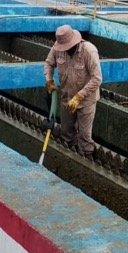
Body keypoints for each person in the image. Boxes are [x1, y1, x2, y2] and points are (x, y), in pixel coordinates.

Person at [44, 24, 102, 157]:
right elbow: (48, 63)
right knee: (66, 133)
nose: (65, 50)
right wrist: (49, 80)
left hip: (86, 100)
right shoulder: (57, 48)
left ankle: (86, 155)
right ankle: (70, 154)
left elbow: (97, 78)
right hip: (67, 96)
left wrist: (79, 97)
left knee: (85, 136)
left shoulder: (89, 51)